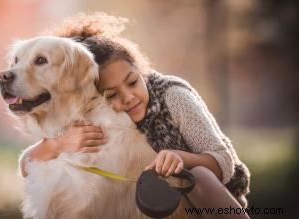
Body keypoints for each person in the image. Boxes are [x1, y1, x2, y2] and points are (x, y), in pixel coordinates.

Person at [19, 13, 250, 219]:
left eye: (132, 82)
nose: (128, 97)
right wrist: (59, 143)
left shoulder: (173, 95)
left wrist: (182, 158)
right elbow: (26, 165)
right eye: (112, 95)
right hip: (156, 205)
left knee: (198, 175)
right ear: (96, 100)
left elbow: (224, 160)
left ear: (140, 70)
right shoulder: (102, 119)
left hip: (209, 201)